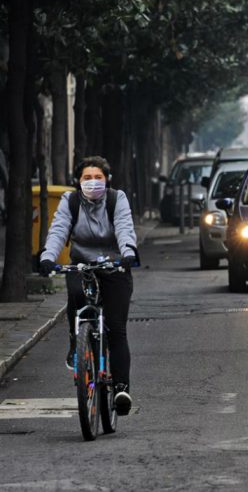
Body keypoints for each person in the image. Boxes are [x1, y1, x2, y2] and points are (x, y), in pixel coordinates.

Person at [39, 156, 137, 416]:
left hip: (115, 265)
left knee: (116, 328)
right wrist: (48, 257)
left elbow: (125, 228)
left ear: (107, 180)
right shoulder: (70, 202)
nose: (92, 182)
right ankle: (77, 343)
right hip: (82, 264)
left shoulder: (118, 199)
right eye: (86, 178)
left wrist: (128, 253)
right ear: (78, 181)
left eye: (98, 178)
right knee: (75, 297)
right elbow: (59, 230)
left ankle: (120, 388)